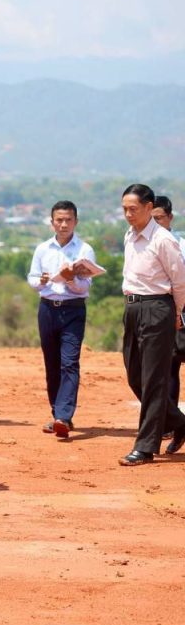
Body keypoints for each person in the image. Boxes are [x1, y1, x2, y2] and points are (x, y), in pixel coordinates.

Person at [120, 184, 185, 465]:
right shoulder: (129, 235)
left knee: (154, 379)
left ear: (149, 207)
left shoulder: (163, 240)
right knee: (135, 375)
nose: (128, 214)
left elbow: (180, 282)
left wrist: (177, 314)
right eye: (124, 209)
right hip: (132, 308)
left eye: (133, 209)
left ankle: (145, 447)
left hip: (158, 308)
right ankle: (180, 422)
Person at [27, 201, 97, 439]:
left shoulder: (85, 250)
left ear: (76, 222)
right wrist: (41, 281)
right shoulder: (42, 249)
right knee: (52, 363)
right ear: (52, 222)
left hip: (73, 310)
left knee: (69, 362)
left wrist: (70, 279)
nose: (64, 224)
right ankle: (57, 413)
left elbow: (84, 287)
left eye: (68, 220)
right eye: (59, 220)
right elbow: (32, 279)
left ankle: (64, 417)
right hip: (47, 309)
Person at [152, 195, 185, 438]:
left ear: (170, 217)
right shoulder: (143, 243)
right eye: (151, 218)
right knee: (169, 366)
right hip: (161, 310)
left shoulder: (181, 245)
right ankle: (171, 422)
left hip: (181, 308)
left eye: (160, 218)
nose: (156, 223)